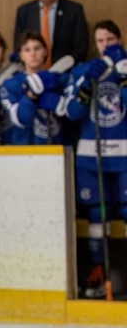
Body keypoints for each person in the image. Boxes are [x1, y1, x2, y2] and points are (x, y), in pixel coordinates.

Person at [62, 20, 127, 298]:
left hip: (124, 156)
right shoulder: (84, 70)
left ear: (120, 40)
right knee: (96, 216)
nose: (106, 45)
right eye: (100, 41)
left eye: (111, 40)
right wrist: (87, 84)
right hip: (92, 157)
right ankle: (99, 273)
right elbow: (70, 113)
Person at [0, 30, 67, 146]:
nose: (33, 53)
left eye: (37, 48)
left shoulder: (59, 80)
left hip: (57, 150)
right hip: (23, 151)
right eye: (27, 50)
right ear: (21, 55)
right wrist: (32, 95)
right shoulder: (11, 84)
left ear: (45, 51)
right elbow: (21, 120)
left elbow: (72, 117)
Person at [13, 0, 88, 66]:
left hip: (65, 74)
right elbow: (18, 47)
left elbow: (81, 47)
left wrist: (62, 68)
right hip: (33, 74)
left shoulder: (74, 10)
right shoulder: (24, 11)